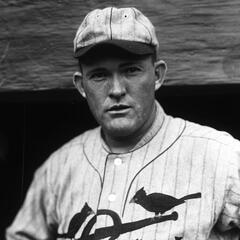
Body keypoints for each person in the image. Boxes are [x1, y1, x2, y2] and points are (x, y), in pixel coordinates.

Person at [6, 7, 240, 240]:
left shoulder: (222, 156)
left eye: (131, 70)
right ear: (81, 86)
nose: (116, 90)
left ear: (157, 75)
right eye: (99, 75)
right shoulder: (58, 167)